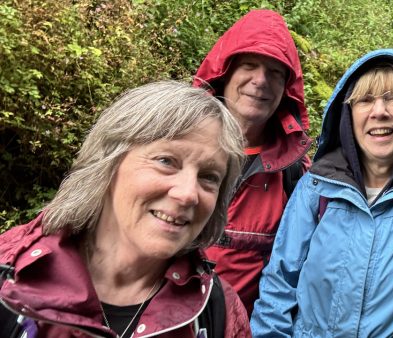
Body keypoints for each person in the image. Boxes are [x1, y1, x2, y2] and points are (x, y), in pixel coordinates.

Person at [250, 49, 393, 337]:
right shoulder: (317, 188)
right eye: (365, 100)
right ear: (347, 115)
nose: (379, 111)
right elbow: (279, 286)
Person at [0, 81, 251, 337]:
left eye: (209, 177)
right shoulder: (10, 273)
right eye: (166, 161)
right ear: (109, 162)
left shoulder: (219, 311)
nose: (188, 193)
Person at [192, 9, 312, 315]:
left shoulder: (294, 173)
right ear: (225, 73)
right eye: (249, 65)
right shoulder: (176, 145)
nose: (260, 81)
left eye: (275, 72)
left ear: (287, 88)